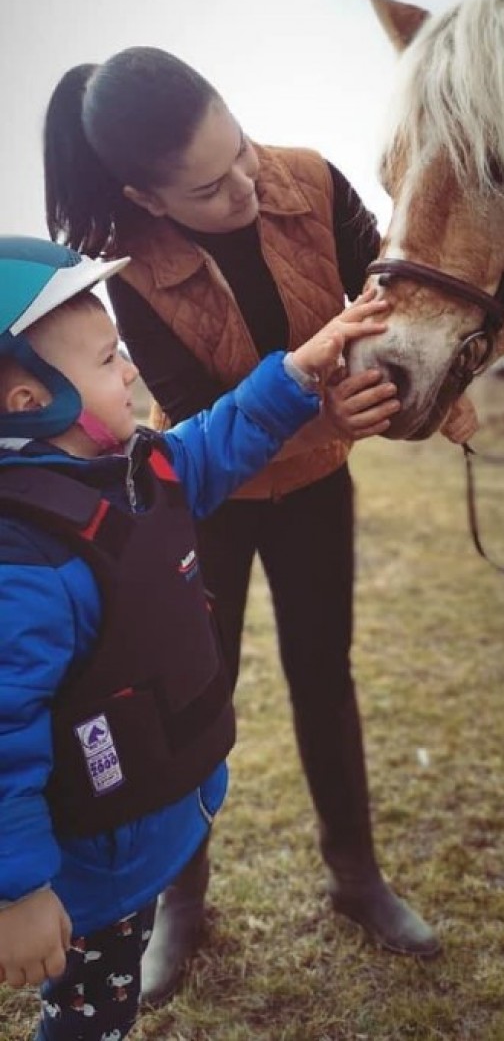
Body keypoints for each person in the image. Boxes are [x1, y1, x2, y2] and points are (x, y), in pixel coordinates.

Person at [42, 48, 478, 1005]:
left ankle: (356, 877)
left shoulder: (314, 178)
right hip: (211, 509)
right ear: (147, 200)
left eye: (238, 147)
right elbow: (199, 418)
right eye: (209, 186)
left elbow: (397, 296)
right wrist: (323, 408)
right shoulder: (131, 277)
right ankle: (180, 904)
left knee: (325, 674)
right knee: (192, 698)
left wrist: (436, 395)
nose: (245, 185)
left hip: (320, 488)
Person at [0, 235, 396, 1041]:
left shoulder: (138, 475)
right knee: (86, 1019)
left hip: (137, 843)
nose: (131, 373)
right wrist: (20, 893)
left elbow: (220, 438)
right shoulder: (23, 568)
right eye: (110, 360)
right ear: (30, 400)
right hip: (79, 880)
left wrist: (300, 366)